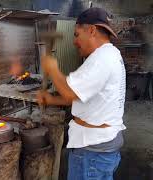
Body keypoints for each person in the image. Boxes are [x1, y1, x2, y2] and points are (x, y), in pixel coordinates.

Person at [37, 7, 126, 180]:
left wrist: (52, 68)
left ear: (92, 30)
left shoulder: (101, 59)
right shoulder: (110, 54)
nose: (74, 42)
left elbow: (70, 93)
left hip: (92, 151)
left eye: (77, 35)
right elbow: (82, 96)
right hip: (99, 147)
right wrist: (52, 99)